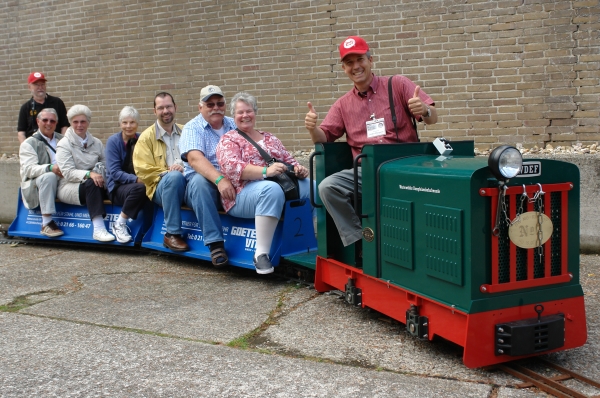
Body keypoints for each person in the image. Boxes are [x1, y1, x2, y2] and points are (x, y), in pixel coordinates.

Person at [304, 36, 438, 248]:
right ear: (343, 68)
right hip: (365, 173)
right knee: (327, 187)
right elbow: (324, 138)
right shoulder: (342, 105)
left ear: (370, 60)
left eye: (360, 59)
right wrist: (313, 129)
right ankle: (360, 242)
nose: (356, 66)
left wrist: (425, 109)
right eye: (349, 63)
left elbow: (432, 118)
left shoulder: (398, 84)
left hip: (405, 166)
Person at [216, 92, 310, 274]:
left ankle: (307, 239)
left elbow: (289, 159)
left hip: (278, 187)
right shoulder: (229, 140)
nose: (245, 116)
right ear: (233, 116)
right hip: (240, 194)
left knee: (312, 186)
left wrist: (299, 169)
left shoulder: (270, 138)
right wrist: (266, 171)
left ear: (255, 113)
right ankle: (261, 254)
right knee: (271, 189)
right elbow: (232, 168)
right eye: (240, 112)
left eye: (248, 111)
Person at [180, 85, 237, 267]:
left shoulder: (234, 124)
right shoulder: (192, 128)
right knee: (199, 182)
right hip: (203, 186)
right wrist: (220, 179)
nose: (215, 107)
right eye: (210, 104)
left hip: (234, 178)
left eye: (220, 103)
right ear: (200, 107)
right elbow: (195, 160)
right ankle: (215, 244)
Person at [133, 92, 189, 252]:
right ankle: (172, 234)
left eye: (169, 106)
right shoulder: (146, 137)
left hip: (189, 182)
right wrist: (170, 172)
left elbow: (199, 157)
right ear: (154, 111)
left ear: (175, 107)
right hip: (160, 188)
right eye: (161, 108)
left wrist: (183, 168)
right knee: (174, 178)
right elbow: (142, 170)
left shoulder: (187, 131)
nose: (165, 111)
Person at [55, 105, 115, 242]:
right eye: (75, 122)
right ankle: (99, 228)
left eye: (83, 121)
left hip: (97, 182)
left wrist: (99, 173)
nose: (79, 125)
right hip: (69, 186)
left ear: (88, 122)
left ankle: (122, 224)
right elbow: (68, 173)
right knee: (92, 183)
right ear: (70, 123)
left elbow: (107, 164)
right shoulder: (64, 144)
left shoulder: (97, 143)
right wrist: (90, 174)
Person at [105, 106, 149, 243]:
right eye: (125, 122)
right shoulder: (113, 141)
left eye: (132, 122)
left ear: (137, 124)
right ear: (120, 124)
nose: (128, 126)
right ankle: (119, 224)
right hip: (117, 187)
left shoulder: (143, 139)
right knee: (140, 188)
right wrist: (137, 179)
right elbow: (115, 173)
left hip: (138, 183)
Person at [19, 108, 65, 237]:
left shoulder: (63, 139)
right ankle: (46, 223)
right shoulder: (29, 143)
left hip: (63, 179)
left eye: (52, 121)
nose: (48, 123)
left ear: (56, 123)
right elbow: (29, 169)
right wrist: (50, 168)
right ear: (37, 121)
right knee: (49, 176)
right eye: (45, 120)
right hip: (36, 183)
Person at [17, 72, 69, 144]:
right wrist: (26, 148)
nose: (40, 87)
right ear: (29, 87)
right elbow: (21, 132)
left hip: (56, 144)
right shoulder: (25, 107)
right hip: (34, 146)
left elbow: (65, 126)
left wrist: (62, 144)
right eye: (36, 85)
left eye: (42, 84)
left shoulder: (57, 102)